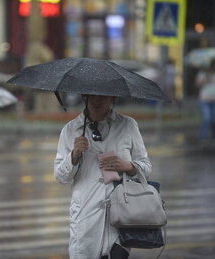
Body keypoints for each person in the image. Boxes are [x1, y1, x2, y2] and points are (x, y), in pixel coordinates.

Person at [54, 95, 152, 259]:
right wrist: (74, 154)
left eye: (102, 97)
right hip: (85, 214)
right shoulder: (71, 130)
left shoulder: (128, 125)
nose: (97, 101)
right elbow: (60, 176)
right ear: (84, 97)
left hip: (121, 215)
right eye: (92, 96)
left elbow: (146, 166)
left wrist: (128, 166)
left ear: (112, 97)